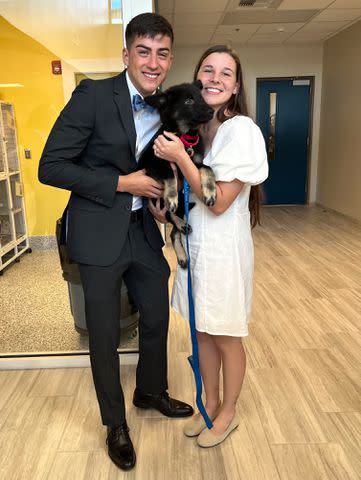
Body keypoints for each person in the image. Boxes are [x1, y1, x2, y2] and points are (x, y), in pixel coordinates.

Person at [38, 13, 193, 471]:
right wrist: (122, 184)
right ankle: (114, 423)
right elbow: (51, 166)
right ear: (126, 55)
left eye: (162, 53)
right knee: (103, 334)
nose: (153, 62)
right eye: (143, 51)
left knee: (157, 315)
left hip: (143, 231)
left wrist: (161, 201)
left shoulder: (165, 103)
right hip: (99, 231)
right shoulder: (92, 95)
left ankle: (149, 391)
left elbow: (161, 163)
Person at [150, 45, 268, 448]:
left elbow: (217, 203)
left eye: (226, 73)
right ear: (197, 79)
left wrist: (180, 158)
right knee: (201, 332)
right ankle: (209, 405)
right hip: (194, 252)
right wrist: (166, 210)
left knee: (225, 335)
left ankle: (229, 413)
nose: (215, 78)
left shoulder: (242, 131)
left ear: (236, 87)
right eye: (208, 70)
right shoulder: (200, 130)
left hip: (222, 254)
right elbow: (189, 195)